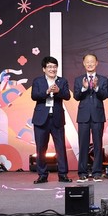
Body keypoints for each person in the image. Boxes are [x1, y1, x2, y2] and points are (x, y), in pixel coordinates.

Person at [30, 56, 71, 184]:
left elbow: (67, 96)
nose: (52, 69)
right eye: (49, 67)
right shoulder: (38, 81)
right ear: (44, 69)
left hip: (57, 118)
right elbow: (34, 96)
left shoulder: (62, 81)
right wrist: (47, 91)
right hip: (41, 119)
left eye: (54, 67)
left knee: (60, 148)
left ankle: (63, 174)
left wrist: (58, 91)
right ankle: (42, 175)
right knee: (41, 148)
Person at [73, 53, 108, 182]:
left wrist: (97, 87)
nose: (90, 64)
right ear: (84, 63)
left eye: (92, 61)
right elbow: (76, 96)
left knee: (98, 145)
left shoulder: (103, 79)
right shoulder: (79, 79)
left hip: (98, 115)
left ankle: (97, 172)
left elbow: (104, 95)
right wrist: (84, 88)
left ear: (96, 63)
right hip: (83, 116)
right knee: (83, 145)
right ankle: (82, 172)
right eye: (87, 62)